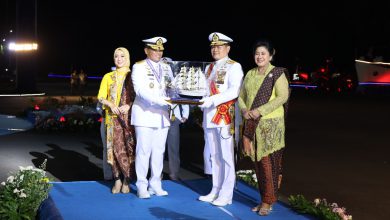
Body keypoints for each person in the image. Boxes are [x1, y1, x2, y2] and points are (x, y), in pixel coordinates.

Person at [238, 39, 290, 216]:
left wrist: (260, 110)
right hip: (252, 126)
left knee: (269, 165)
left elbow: (282, 97)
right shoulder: (250, 73)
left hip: (270, 127)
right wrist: (244, 109)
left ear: (271, 55)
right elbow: (241, 96)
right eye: (257, 53)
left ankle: (268, 202)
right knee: (258, 166)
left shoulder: (277, 73)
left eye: (263, 53)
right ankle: (263, 199)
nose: (259, 56)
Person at [198, 32, 244, 207]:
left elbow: (234, 91)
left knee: (226, 157)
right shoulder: (208, 68)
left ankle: (227, 194)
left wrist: (212, 100)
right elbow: (204, 90)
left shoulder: (234, 66)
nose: (215, 49)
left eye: (219, 46)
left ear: (228, 48)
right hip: (209, 116)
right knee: (215, 156)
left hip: (224, 117)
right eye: (213, 47)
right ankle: (215, 190)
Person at [131, 36, 173, 199]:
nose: (158, 52)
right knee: (143, 151)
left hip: (162, 115)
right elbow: (140, 90)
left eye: (161, 49)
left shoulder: (167, 67)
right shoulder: (139, 67)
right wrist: (163, 100)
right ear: (146, 50)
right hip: (144, 114)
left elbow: (172, 89)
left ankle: (156, 183)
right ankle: (142, 185)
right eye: (155, 49)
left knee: (159, 151)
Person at [97, 47, 136, 194]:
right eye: (116, 56)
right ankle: (117, 179)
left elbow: (138, 97)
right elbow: (101, 97)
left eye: (122, 56)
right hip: (111, 119)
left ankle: (127, 180)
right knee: (113, 150)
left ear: (127, 58)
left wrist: (129, 105)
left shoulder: (133, 76)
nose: (119, 59)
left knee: (127, 149)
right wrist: (111, 104)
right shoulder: (108, 76)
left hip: (128, 120)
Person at [166, 103, 189, 180]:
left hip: (174, 117)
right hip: (159, 116)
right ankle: (156, 175)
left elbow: (182, 94)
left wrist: (185, 113)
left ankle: (174, 174)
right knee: (157, 148)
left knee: (173, 147)